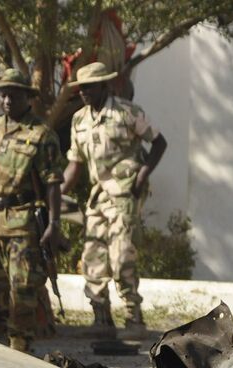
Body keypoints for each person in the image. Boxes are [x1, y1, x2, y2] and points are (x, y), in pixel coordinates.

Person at [61, 61, 167, 336]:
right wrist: (58, 192)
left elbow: (159, 142)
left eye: (90, 87)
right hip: (98, 196)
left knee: (121, 257)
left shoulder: (127, 112)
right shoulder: (79, 119)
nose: (84, 92)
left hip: (125, 193)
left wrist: (142, 176)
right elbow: (75, 163)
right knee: (92, 257)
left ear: (104, 86)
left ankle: (134, 318)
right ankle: (101, 319)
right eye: (81, 88)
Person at [0, 68, 63, 353]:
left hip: (24, 222)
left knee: (22, 289)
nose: (7, 100)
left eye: (14, 94)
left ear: (26, 97)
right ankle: (2, 345)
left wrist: (54, 224)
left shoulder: (41, 134)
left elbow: (53, 182)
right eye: (3, 94)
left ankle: (21, 348)